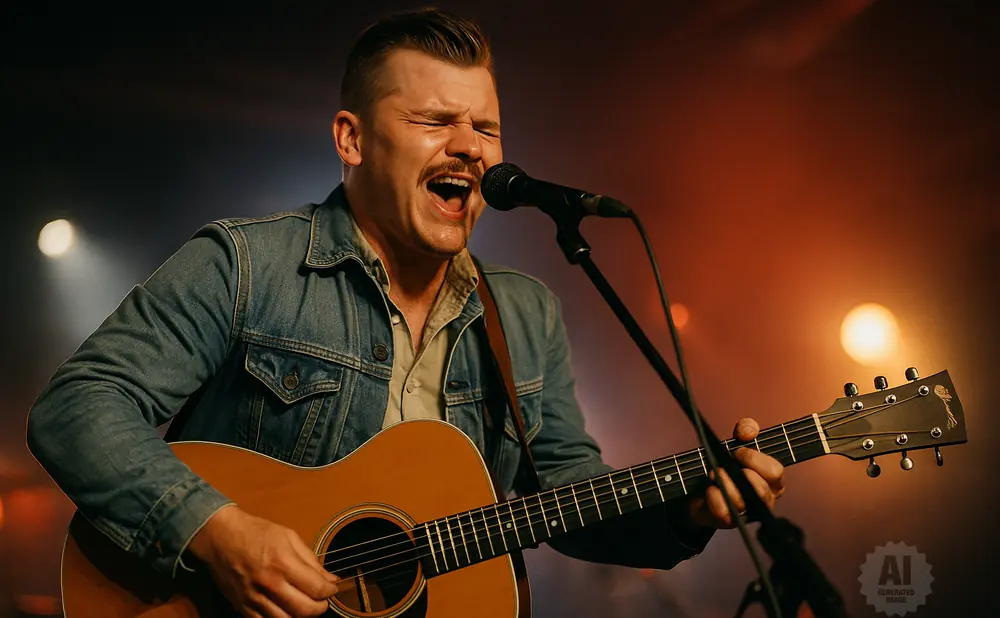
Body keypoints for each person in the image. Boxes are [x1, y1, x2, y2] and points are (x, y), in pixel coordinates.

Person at [26, 8, 785, 618]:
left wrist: (688, 512)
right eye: (433, 121)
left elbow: (567, 495)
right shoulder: (246, 265)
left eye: (485, 128)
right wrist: (219, 533)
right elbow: (76, 408)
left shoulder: (524, 313)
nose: (469, 149)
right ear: (351, 140)